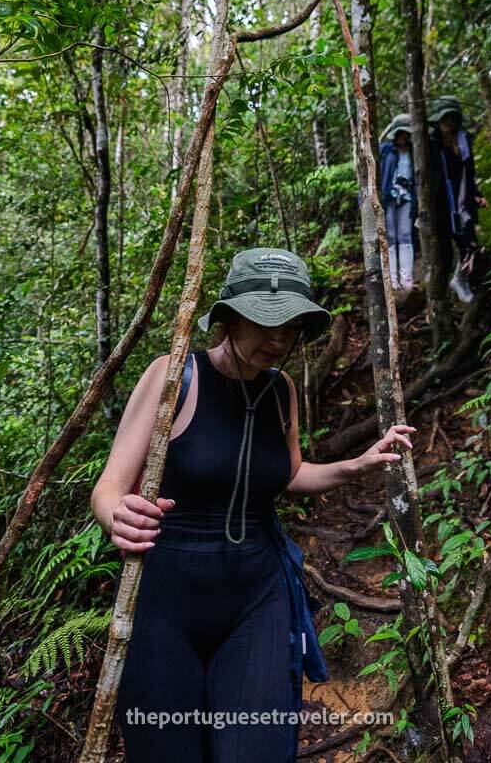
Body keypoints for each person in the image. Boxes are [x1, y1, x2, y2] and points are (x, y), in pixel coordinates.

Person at [90, 247, 417, 763]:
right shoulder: (174, 376)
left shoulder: (280, 389)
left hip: (257, 598)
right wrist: (117, 516)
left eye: (290, 325)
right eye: (267, 322)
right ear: (230, 318)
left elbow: (289, 473)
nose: (279, 337)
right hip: (165, 601)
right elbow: (109, 487)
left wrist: (356, 465)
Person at [428, 96, 486, 303]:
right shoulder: (429, 143)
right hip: (440, 203)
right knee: (443, 249)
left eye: (452, 119)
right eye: (445, 119)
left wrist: (477, 194)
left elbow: (469, 172)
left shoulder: (463, 140)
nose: (449, 124)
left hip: (463, 200)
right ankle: (440, 292)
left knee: (469, 243)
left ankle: (461, 279)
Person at [377, 112, 417, 294]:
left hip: (407, 197)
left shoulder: (414, 151)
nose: (403, 136)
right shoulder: (385, 149)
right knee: (390, 237)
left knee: (406, 235)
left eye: (406, 133)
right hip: (389, 198)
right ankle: (392, 280)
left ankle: (406, 278)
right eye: (401, 132)